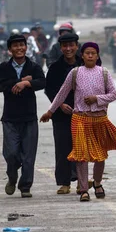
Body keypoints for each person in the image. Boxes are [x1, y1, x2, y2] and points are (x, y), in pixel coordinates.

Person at [40, 42, 116, 202]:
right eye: (87, 53)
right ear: (82, 56)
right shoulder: (75, 73)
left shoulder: (104, 73)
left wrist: (97, 99)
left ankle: (97, 183)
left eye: (93, 53)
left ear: (97, 56)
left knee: (100, 155)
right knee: (81, 155)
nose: (90, 56)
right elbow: (62, 93)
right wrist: (50, 111)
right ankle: (84, 189)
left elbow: (113, 95)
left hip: (99, 119)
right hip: (80, 119)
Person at [0, 34, 46, 198]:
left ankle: (25, 186)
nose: (19, 48)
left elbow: (43, 82)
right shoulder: (4, 67)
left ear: (26, 47)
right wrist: (18, 81)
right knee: (11, 154)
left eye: (22, 45)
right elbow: (2, 86)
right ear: (10, 50)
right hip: (10, 118)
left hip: (29, 117)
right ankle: (12, 176)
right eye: (15, 46)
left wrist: (27, 83)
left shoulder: (33, 66)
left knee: (29, 155)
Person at [45, 30, 83, 195]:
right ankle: (64, 182)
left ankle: (82, 180)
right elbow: (50, 90)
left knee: (82, 147)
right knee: (62, 147)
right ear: (60, 47)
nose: (68, 49)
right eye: (65, 46)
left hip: (83, 113)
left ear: (76, 46)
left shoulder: (85, 64)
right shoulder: (55, 67)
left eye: (71, 45)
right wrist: (60, 105)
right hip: (61, 115)